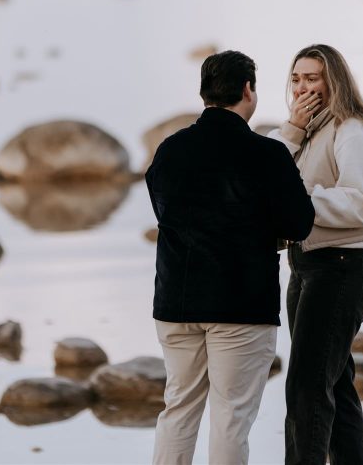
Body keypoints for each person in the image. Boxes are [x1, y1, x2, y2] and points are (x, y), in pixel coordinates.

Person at [147, 50, 315, 465]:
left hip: (176, 304)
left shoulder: (169, 151)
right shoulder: (266, 154)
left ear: (204, 94)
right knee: (231, 420)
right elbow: (299, 225)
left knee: (178, 411)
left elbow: (167, 214)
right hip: (239, 306)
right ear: (248, 91)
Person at [267, 44, 363, 465]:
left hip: (342, 268)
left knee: (305, 388)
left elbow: (360, 203)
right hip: (305, 267)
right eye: (296, 79)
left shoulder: (354, 131)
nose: (302, 87)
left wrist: (298, 203)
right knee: (334, 387)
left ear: (333, 80)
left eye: (312, 78)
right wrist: (291, 130)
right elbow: (266, 179)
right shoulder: (309, 130)